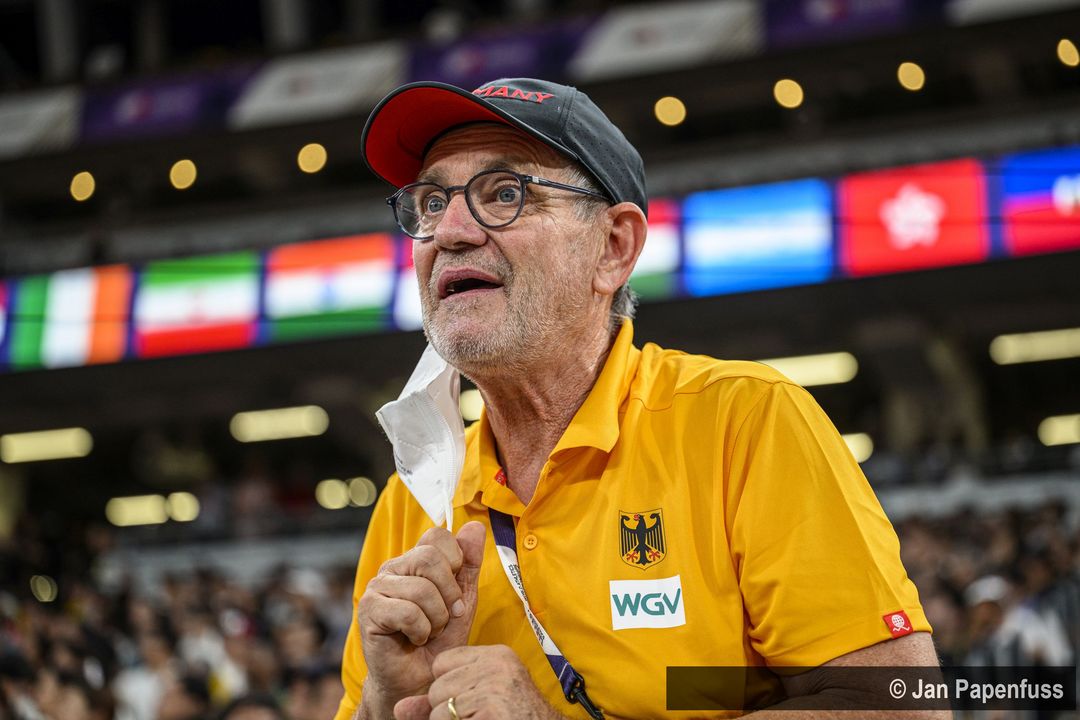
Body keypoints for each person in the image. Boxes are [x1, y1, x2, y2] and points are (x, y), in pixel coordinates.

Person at [336, 77, 941, 720]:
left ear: (614, 247)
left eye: (506, 193)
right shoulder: (413, 500)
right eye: (431, 203)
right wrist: (387, 700)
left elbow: (901, 709)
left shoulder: (742, 420)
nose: (449, 232)